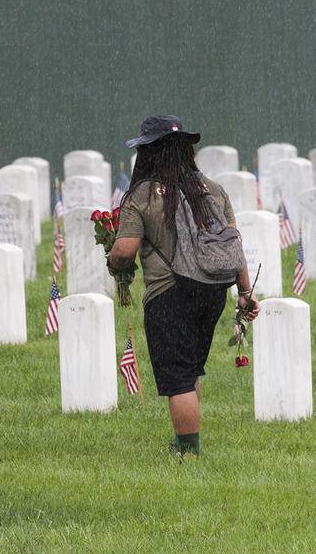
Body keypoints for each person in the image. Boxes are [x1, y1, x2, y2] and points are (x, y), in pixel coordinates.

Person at [108, 115, 260, 457]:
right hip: (212, 293)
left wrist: (114, 262)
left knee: (177, 376)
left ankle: (188, 451)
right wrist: (245, 293)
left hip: (168, 293)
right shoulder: (212, 189)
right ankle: (184, 437)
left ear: (150, 152)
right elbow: (233, 246)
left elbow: (125, 250)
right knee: (190, 368)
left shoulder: (143, 195)